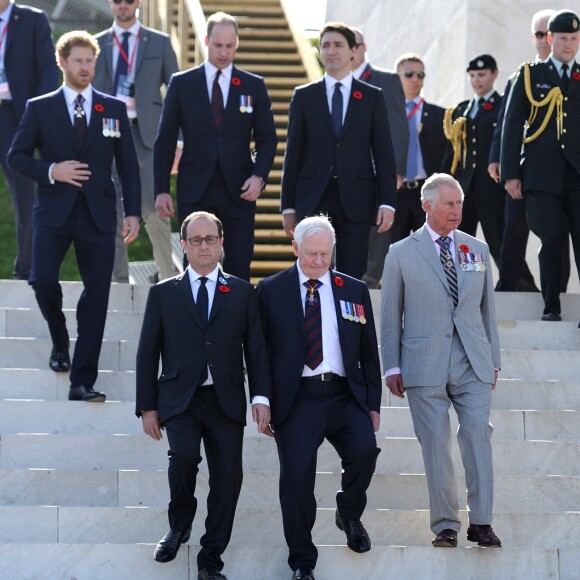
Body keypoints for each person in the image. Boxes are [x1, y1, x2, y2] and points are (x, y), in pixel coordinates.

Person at [136, 211, 271, 579]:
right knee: (182, 459)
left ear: (221, 243)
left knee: (228, 478)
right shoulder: (164, 293)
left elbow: (256, 350)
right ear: (183, 246)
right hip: (179, 399)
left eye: (210, 239)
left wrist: (261, 398)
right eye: (196, 240)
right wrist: (147, 406)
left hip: (225, 399)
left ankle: (211, 558)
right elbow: (148, 352)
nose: (204, 246)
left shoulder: (243, 292)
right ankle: (178, 527)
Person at [7, 31, 141, 402]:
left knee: (97, 295)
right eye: (78, 60)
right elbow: (16, 158)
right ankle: (59, 336)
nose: (85, 67)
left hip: (99, 215)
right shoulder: (40, 107)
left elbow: (128, 166)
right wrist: (52, 170)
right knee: (42, 278)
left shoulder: (112, 108)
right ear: (62, 62)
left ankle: (81, 380)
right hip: (52, 211)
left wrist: (132, 212)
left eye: (90, 61)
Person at [381, 173, 502, 549]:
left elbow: (487, 311)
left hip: (473, 362)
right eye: (449, 204)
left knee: (478, 435)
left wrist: (493, 359)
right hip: (422, 363)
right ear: (427, 206)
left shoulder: (476, 249)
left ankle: (481, 522)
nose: (457, 210)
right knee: (435, 443)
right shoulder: (400, 252)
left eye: (460, 203)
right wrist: (392, 366)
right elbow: (389, 315)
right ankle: (445, 524)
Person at [257, 215, 381, 580]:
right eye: (310, 253)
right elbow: (259, 352)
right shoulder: (271, 289)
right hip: (297, 398)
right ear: (295, 248)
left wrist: (372, 403)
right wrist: (262, 399)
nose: (317, 261)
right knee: (295, 479)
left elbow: (369, 352)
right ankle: (302, 562)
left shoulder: (353, 289)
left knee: (364, 453)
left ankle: (349, 511)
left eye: (324, 254)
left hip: (344, 394)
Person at [154, 11, 277, 281]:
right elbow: (164, 140)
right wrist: (161, 189)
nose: (224, 52)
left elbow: (267, 138)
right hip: (195, 185)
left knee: (240, 264)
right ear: (207, 41)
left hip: (240, 189)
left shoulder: (253, 85)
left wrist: (259, 176)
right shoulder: (182, 83)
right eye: (218, 45)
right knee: (195, 264)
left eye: (230, 46)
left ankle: (235, 322)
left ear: (237, 44)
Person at [281, 22, 397, 280]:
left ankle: (348, 321)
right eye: (325, 45)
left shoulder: (372, 97)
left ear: (353, 51)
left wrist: (387, 201)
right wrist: (287, 206)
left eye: (338, 45)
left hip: (357, 197)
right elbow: (293, 154)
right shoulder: (304, 96)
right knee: (312, 269)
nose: (331, 51)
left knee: (353, 272)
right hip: (313, 196)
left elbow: (384, 153)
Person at [501, 9, 580, 323]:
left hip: (577, 175)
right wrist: (510, 174)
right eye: (562, 38)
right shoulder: (531, 74)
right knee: (550, 240)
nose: (568, 44)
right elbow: (512, 124)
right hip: (541, 175)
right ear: (550, 38)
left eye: (574, 38)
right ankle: (552, 306)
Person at [93, 0, 179, 283]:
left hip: (146, 138)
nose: (123, 6)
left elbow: (176, 96)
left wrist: (178, 142)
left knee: (155, 212)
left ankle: (168, 281)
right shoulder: (96, 44)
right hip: (106, 136)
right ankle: (118, 284)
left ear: (138, 3)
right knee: (111, 213)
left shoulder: (159, 42)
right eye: (117, 0)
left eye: (129, 0)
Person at [489, 10, 557, 293]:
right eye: (539, 35)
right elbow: (506, 123)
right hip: (522, 167)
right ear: (534, 38)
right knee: (513, 229)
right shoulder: (522, 75)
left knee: (557, 236)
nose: (545, 41)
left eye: (549, 34)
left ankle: (557, 292)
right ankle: (507, 286)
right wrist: (497, 158)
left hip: (557, 171)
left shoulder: (570, 76)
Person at [0, 0, 59, 280]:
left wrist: (38, 117)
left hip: (15, 116)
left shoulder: (33, 19)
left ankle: (26, 268)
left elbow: (49, 70)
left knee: (24, 194)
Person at [349, 27, 408, 288]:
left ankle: (370, 282)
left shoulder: (386, 80)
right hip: (341, 173)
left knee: (376, 232)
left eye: (355, 44)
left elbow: (397, 126)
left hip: (376, 170)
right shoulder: (328, 83)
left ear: (364, 47)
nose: (349, 50)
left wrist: (395, 171)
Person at [443, 54, 505, 268]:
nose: (476, 80)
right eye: (472, 76)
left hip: (492, 189)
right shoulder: (461, 110)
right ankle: (470, 281)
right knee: (464, 244)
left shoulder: (503, 105)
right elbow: (451, 153)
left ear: (494, 74)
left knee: (499, 243)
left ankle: (519, 287)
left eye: (481, 74)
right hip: (464, 191)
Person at [390, 53, 446, 243]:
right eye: (409, 74)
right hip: (394, 192)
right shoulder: (384, 113)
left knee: (430, 249)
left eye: (420, 75)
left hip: (427, 191)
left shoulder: (440, 115)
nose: (415, 79)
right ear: (396, 76)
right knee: (394, 252)